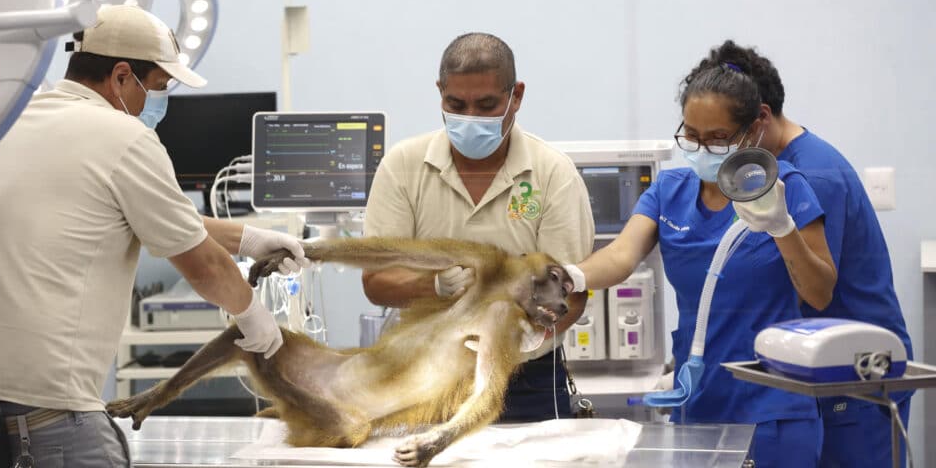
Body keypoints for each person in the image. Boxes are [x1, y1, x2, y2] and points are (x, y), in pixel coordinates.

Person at [0, 5, 309, 467]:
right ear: (121, 77)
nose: (161, 102)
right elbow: (205, 266)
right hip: (45, 419)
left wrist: (252, 239)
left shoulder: (11, 124)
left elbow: (130, 213)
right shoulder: (124, 136)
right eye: (158, 88)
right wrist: (257, 322)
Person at [569, 61, 837, 467]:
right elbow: (620, 257)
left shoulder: (783, 187)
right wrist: (568, 276)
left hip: (775, 407)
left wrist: (783, 228)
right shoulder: (669, 191)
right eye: (691, 135)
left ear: (751, 132)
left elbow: (820, 293)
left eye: (718, 137)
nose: (701, 147)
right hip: (698, 400)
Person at [699, 40, 913, 468]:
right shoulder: (764, 172)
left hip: (854, 375)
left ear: (759, 118)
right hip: (820, 366)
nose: (713, 151)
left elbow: (810, 287)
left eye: (723, 136)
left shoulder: (811, 174)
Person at [361, 32, 594, 421]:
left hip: (526, 379)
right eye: (456, 104)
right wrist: (434, 284)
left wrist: (520, 342)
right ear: (440, 92)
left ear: (516, 96)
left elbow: (572, 292)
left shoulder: (552, 172)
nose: (470, 118)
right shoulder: (403, 166)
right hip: (425, 375)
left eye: (487, 105)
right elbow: (376, 280)